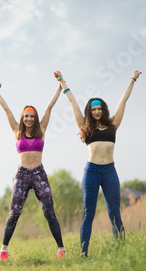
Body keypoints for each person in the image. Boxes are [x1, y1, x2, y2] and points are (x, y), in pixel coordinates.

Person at [55, 70, 141, 257]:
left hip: (110, 171)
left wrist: (132, 79)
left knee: (114, 213)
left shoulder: (113, 125)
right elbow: (72, 102)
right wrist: (62, 81)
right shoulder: (84, 126)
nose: (96, 111)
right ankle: (84, 253)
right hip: (91, 172)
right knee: (89, 214)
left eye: (99, 109)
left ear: (103, 110)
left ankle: (120, 250)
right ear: (90, 111)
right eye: (93, 109)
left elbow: (122, 101)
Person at [0, 81, 65, 260]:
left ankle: (61, 249)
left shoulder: (42, 129)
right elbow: (7, 110)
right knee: (14, 212)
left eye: (31, 116)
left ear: (35, 117)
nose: (29, 119)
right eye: (26, 116)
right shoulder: (17, 130)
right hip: (22, 174)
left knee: (49, 211)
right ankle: (3, 250)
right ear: (22, 118)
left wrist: (59, 87)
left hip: (39, 174)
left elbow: (49, 107)